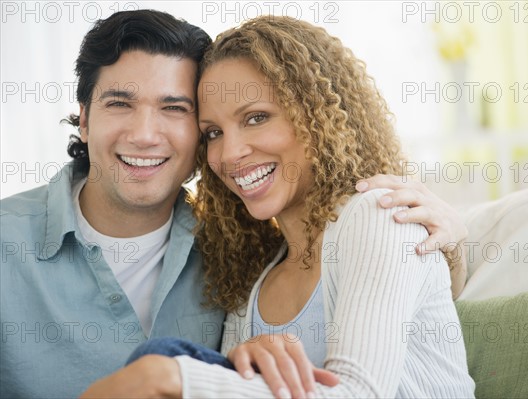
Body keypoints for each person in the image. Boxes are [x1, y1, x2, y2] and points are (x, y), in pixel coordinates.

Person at [1, 10, 468, 399]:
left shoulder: (251, 249)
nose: (230, 153)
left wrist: (453, 245)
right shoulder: (245, 262)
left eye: (174, 109)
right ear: (83, 120)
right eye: (215, 133)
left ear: (317, 117)